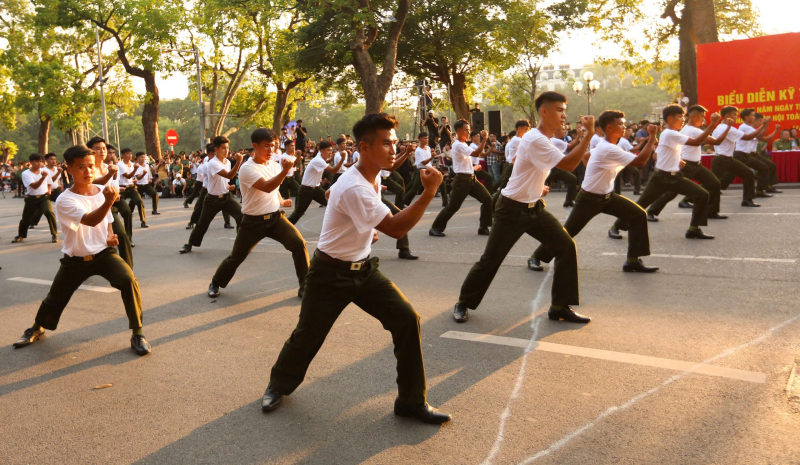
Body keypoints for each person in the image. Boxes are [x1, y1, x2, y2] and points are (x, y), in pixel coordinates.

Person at [261, 113, 451, 424]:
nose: (393, 150)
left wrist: (363, 224)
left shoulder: (368, 175)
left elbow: (330, 193)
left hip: (364, 269)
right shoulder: (355, 186)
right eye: (386, 144)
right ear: (364, 147)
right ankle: (278, 384)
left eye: (394, 143)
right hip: (329, 274)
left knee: (407, 319)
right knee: (307, 336)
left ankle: (411, 401)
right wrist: (429, 192)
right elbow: (396, 228)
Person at [452, 92, 592, 324]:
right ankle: (463, 302)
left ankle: (560, 306)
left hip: (534, 208)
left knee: (566, 246)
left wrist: (536, 187)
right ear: (544, 112)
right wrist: (588, 136)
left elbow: (527, 163)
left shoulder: (542, 139)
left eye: (564, 110)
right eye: (559, 110)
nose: (564, 115)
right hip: (511, 210)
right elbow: (568, 164)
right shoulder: (535, 139)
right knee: (491, 260)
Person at [11, 145, 150, 356]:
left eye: (91, 166)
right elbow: (91, 220)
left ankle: (137, 333)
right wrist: (109, 201)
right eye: (81, 167)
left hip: (104, 255)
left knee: (129, 280)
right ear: (69, 169)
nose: (88, 171)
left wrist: (110, 236)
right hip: (75, 259)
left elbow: (107, 220)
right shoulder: (65, 199)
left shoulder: (101, 192)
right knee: (55, 298)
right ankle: (37, 328)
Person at [529, 110, 658, 274]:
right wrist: (652, 138)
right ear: (609, 128)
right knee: (568, 231)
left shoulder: (605, 146)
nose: (624, 126)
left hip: (608, 197)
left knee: (638, 215)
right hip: (589, 199)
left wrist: (594, 174)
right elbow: (640, 161)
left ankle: (632, 261)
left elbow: (586, 156)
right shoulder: (608, 149)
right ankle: (536, 257)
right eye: (621, 124)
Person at [207, 128, 309, 299]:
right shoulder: (247, 169)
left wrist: (281, 200)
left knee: (299, 244)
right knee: (236, 257)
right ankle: (216, 282)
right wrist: (285, 171)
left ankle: (305, 286)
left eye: (273, 146)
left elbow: (274, 188)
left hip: (275, 218)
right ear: (255, 146)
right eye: (266, 146)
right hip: (252, 222)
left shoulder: (274, 165)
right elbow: (266, 186)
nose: (271, 150)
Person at [610, 104, 719, 240]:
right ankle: (615, 227)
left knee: (702, 194)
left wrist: (678, 160)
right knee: (641, 204)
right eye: (679, 117)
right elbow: (697, 142)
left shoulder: (672, 134)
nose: (683, 120)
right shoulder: (670, 133)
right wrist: (712, 124)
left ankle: (694, 229)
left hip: (675, 177)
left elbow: (663, 152)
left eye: (682, 117)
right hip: (660, 178)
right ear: (670, 118)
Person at [646, 105, 731, 221]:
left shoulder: (684, 129)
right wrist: (723, 126)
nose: (704, 119)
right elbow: (717, 142)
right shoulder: (692, 131)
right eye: (702, 116)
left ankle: (709, 210)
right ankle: (651, 211)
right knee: (672, 191)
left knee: (714, 183)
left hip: (696, 165)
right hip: (687, 165)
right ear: (694, 116)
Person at [179, 136, 244, 254]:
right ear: (216, 149)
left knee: (241, 216)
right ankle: (189, 244)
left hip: (226, 196)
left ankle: (241, 244)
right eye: (223, 148)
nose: (226, 150)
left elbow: (223, 179)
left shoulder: (228, 162)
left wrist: (228, 187)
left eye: (227, 148)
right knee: (202, 224)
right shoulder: (213, 163)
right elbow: (229, 175)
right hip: (212, 199)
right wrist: (239, 162)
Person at [429, 121, 493, 237]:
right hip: (462, 181)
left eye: (469, 130)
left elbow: (464, 163)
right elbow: (476, 153)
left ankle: (483, 227)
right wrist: (485, 139)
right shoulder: (458, 144)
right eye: (466, 130)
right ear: (458, 131)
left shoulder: (463, 144)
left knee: (487, 199)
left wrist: (473, 168)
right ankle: (435, 228)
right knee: (453, 206)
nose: (468, 132)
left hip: (471, 178)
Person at [88, 137, 134, 267]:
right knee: (91, 242)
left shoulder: (108, 167)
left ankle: (128, 270)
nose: (102, 151)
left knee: (121, 236)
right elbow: (93, 183)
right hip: (91, 209)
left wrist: (116, 192)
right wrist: (110, 174)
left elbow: (112, 184)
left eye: (104, 148)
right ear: (90, 151)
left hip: (107, 207)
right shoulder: (88, 168)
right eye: (98, 149)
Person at [710, 106, 764, 207]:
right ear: (727, 116)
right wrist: (763, 126)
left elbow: (712, 144)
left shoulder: (719, 127)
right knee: (711, 183)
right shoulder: (726, 128)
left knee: (748, 173)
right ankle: (690, 198)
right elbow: (748, 137)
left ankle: (747, 200)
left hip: (728, 158)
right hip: (721, 159)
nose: (736, 117)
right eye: (734, 115)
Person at [287, 141, 344, 224]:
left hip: (316, 189)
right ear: (322, 151)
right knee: (298, 213)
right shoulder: (318, 160)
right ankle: (283, 228)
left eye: (331, 150)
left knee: (332, 203)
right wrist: (342, 159)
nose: (330, 152)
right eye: (328, 150)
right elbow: (334, 171)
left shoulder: (320, 157)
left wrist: (331, 158)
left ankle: (337, 224)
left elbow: (326, 161)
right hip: (306, 190)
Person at [12, 153, 59, 244]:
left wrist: (49, 190)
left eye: (40, 161)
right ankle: (21, 235)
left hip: (44, 197)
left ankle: (54, 234)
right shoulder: (26, 173)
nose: (39, 164)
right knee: (26, 218)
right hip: (32, 198)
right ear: (31, 162)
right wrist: (43, 177)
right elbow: (34, 186)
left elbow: (50, 183)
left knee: (49, 212)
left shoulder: (45, 171)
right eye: (36, 161)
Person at [726, 109, 772, 199]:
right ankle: (757, 192)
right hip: (741, 154)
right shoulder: (745, 127)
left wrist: (765, 125)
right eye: (752, 115)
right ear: (746, 117)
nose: (754, 117)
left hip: (744, 154)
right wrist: (765, 125)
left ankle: (757, 192)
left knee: (733, 173)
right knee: (755, 170)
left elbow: (762, 136)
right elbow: (761, 136)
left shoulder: (749, 128)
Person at [491, 120, 530, 211]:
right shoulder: (517, 140)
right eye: (525, 129)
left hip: (515, 166)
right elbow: (530, 145)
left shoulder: (519, 139)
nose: (527, 131)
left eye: (528, 129)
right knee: (503, 188)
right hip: (511, 167)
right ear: (519, 129)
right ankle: (492, 208)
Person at [402, 132, 447, 206]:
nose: (427, 140)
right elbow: (423, 162)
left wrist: (432, 157)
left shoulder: (428, 148)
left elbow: (429, 160)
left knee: (442, 184)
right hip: (422, 170)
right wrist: (432, 157)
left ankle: (445, 202)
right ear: (420, 139)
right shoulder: (418, 150)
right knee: (415, 188)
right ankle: (403, 202)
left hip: (430, 169)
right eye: (425, 138)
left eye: (427, 138)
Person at [29, 153, 65, 229]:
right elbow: (51, 180)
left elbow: (57, 180)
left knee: (63, 203)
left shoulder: (57, 169)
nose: (53, 161)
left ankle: (67, 220)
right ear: (46, 160)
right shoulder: (44, 170)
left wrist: (59, 185)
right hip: (46, 191)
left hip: (56, 191)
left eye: (54, 159)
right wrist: (58, 172)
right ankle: (32, 222)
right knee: (41, 209)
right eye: (51, 159)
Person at [546, 126, 579, 207]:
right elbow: (571, 145)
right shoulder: (554, 140)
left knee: (572, 179)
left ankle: (569, 200)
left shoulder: (556, 140)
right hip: (550, 168)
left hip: (556, 167)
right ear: (556, 131)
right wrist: (579, 136)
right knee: (541, 184)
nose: (564, 131)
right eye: (562, 130)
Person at [117, 148, 147, 229]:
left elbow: (136, 177)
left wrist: (142, 174)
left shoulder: (132, 164)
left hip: (131, 187)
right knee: (117, 206)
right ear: (123, 155)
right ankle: (114, 222)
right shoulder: (120, 165)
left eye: (130, 153)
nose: (130, 155)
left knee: (139, 201)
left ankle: (143, 221)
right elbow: (128, 176)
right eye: (127, 154)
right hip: (122, 188)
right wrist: (135, 169)